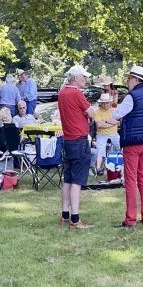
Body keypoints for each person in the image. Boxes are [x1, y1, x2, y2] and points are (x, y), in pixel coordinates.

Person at [98, 65, 143, 228]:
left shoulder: (132, 96)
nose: (127, 82)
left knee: (130, 180)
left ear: (136, 80)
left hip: (132, 142)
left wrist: (106, 118)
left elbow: (118, 113)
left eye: (129, 79)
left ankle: (130, 218)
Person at [56, 65, 94, 229]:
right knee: (77, 181)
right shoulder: (76, 93)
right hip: (79, 140)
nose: (85, 80)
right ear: (76, 78)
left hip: (68, 139)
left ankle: (65, 214)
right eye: (83, 77)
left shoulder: (62, 93)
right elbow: (92, 113)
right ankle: (75, 218)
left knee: (68, 178)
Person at [90, 92, 120, 162]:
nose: (105, 104)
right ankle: (99, 168)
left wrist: (105, 122)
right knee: (100, 151)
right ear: (100, 103)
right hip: (101, 135)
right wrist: (112, 123)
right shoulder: (97, 112)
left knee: (121, 147)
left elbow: (118, 122)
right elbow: (99, 125)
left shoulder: (114, 110)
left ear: (110, 102)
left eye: (107, 103)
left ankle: (117, 164)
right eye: (103, 103)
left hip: (114, 134)